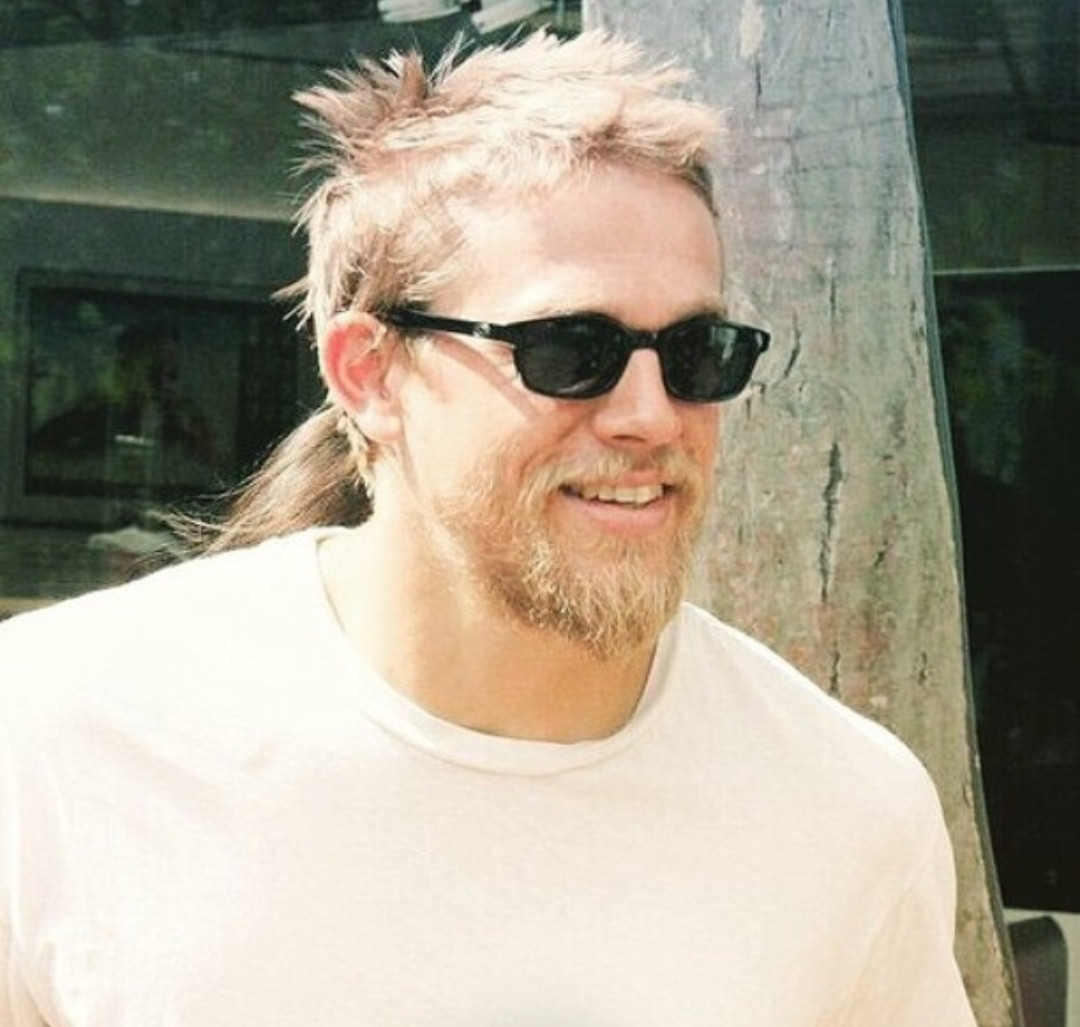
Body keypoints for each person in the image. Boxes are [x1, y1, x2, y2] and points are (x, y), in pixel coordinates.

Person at [0, 30, 977, 1027]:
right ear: (369, 374)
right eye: (570, 347)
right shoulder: (56, 735)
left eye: (695, 351)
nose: (652, 414)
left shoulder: (844, 809)